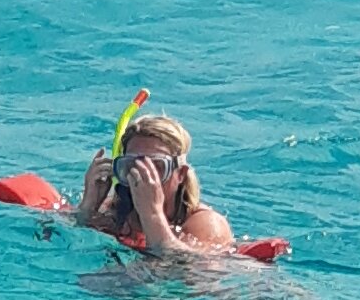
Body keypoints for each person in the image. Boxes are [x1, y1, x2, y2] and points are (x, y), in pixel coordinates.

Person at [73, 96, 237, 258]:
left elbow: (188, 269)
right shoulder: (113, 212)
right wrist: (87, 208)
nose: (143, 175)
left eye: (157, 166)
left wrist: (152, 215)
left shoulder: (206, 224)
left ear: (180, 174)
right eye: (131, 165)